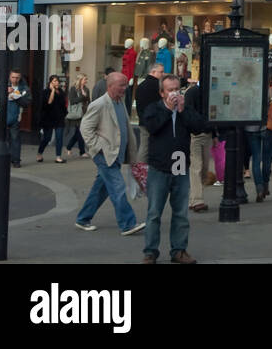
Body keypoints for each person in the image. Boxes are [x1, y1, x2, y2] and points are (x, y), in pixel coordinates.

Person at [141, 74, 205, 264]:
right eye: (170, 90)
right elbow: (151, 127)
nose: (174, 93)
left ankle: (179, 250)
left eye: (177, 89)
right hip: (159, 167)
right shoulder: (154, 109)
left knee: (180, 213)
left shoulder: (185, 109)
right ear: (162, 93)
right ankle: (150, 251)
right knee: (154, 212)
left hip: (180, 165)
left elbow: (199, 126)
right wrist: (169, 110)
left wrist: (183, 110)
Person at [74, 72, 145, 236]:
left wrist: (131, 154)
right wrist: (99, 147)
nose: (125, 88)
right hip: (105, 154)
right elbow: (85, 129)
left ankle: (83, 218)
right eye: (121, 85)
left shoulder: (120, 102)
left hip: (116, 154)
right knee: (118, 187)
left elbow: (125, 128)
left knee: (101, 188)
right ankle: (128, 224)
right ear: (111, 85)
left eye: (125, 85)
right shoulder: (99, 104)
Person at [184, 80, 212, 214]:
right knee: (197, 166)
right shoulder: (193, 92)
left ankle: (193, 198)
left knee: (204, 168)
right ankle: (197, 200)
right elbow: (188, 113)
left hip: (207, 133)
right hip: (195, 134)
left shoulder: (209, 91)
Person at [0, 70, 31, 166]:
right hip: (2, 116)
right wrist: (4, 91)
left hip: (15, 117)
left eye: (17, 77)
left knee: (15, 138)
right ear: (9, 77)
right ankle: (3, 159)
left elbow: (27, 102)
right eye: (13, 77)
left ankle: (16, 160)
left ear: (20, 78)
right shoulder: (3, 84)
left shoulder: (24, 88)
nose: (15, 79)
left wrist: (18, 97)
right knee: (2, 139)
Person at [36, 75, 68, 163]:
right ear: (50, 83)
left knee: (59, 138)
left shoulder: (61, 92)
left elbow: (64, 104)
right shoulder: (46, 92)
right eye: (54, 81)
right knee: (47, 138)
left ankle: (58, 156)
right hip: (48, 118)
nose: (57, 83)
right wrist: (53, 90)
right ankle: (39, 153)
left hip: (59, 118)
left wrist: (65, 114)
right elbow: (49, 102)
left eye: (57, 81)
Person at [65, 73, 91, 158]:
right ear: (80, 80)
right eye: (85, 79)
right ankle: (82, 151)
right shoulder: (73, 89)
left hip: (84, 113)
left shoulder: (86, 89)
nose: (86, 81)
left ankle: (69, 147)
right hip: (77, 113)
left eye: (86, 79)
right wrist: (82, 97)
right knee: (80, 132)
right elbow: (72, 101)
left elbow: (88, 100)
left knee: (79, 132)